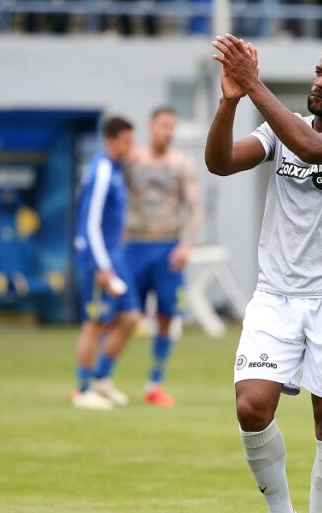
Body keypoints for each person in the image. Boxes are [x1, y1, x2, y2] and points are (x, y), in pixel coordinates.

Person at [206, 35, 322, 513]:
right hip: (275, 296)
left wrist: (252, 83)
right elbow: (220, 163)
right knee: (251, 407)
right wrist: (230, 101)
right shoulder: (279, 129)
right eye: (319, 72)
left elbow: (310, 147)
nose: (320, 82)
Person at [124, 106, 201, 408]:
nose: (167, 132)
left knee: (168, 316)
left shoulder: (182, 165)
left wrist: (186, 244)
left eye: (172, 127)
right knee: (122, 315)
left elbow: (194, 207)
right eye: (163, 126)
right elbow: (115, 200)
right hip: (135, 245)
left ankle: (154, 383)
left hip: (168, 246)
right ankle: (99, 378)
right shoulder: (132, 161)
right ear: (150, 126)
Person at [71, 116, 141, 410]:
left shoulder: (115, 169)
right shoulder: (100, 169)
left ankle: (101, 379)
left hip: (115, 256)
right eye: (126, 141)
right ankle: (82, 390)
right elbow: (90, 222)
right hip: (98, 260)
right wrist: (101, 265)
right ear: (110, 140)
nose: (130, 146)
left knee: (130, 317)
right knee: (95, 323)